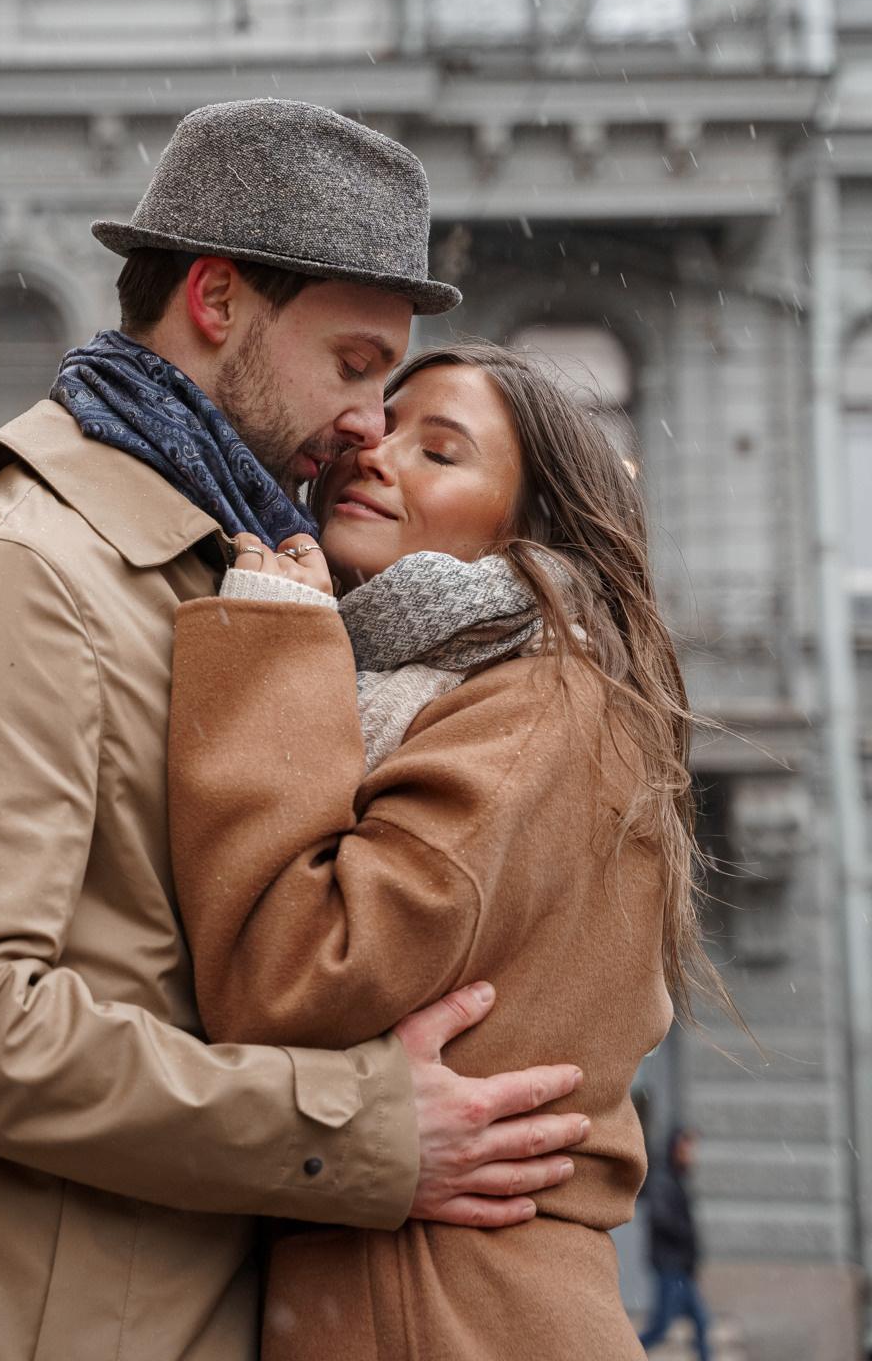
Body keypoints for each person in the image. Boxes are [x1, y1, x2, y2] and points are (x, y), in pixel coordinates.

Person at [0, 100, 593, 1361]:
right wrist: (361, 1126)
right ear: (215, 303)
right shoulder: (19, 581)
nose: (365, 425)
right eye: (349, 365)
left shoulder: (229, 585)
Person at [168, 340, 732, 1359]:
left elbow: (292, 974)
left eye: (439, 452)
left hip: (433, 1305)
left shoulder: (531, 705)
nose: (374, 455)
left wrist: (261, 658)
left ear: (526, 527)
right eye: (378, 430)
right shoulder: (454, 686)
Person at [639, 1128, 713, 1361]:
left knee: (702, 1322)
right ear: (674, 1150)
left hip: (682, 1268)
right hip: (670, 1267)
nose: (690, 1154)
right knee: (661, 1328)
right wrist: (683, 1232)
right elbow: (661, 1218)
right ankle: (620, 1354)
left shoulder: (679, 1180)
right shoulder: (663, 1180)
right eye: (685, 1148)